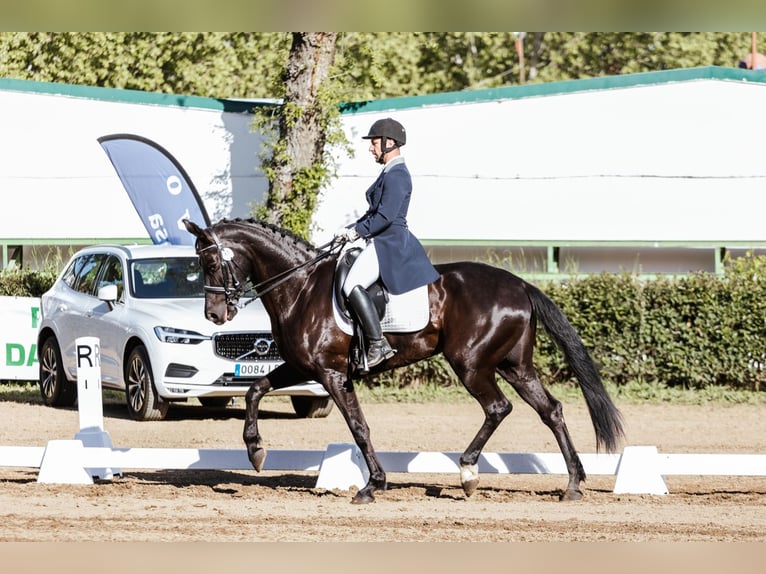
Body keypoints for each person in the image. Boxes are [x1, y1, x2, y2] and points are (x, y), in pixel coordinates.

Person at [334, 117, 440, 371]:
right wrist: (349, 230)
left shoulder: (397, 174)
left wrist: (357, 232)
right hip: (381, 239)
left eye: (373, 143)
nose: (371, 148)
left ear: (388, 142)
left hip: (389, 243)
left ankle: (377, 343)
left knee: (351, 284)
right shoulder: (389, 173)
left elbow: (385, 216)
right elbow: (374, 213)